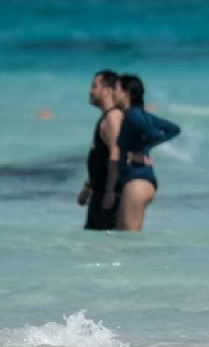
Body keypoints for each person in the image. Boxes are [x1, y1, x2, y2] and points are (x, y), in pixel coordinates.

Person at [112, 74, 180, 232]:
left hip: (137, 182)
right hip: (140, 180)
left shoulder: (132, 114)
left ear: (126, 93)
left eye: (115, 89)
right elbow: (173, 129)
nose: (112, 93)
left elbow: (154, 133)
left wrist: (137, 152)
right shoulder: (142, 114)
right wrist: (145, 148)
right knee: (123, 239)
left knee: (128, 242)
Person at [77, 70, 124, 230]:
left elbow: (115, 154)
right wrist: (88, 187)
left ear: (107, 91)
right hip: (99, 194)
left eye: (94, 86)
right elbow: (100, 158)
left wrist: (110, 191)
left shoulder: (113, 117)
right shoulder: (106, 117)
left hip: (108, 196)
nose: (90, 91)